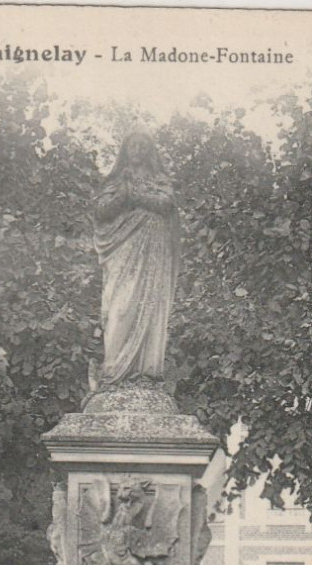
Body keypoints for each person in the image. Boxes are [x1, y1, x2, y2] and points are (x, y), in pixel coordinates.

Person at [92, 131, 180, 389]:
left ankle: (146, 371)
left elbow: (166, 203)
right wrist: (123, 194)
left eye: (143, 146)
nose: (138, 150)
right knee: (120, 305)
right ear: (126, 150)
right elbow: (101, 210)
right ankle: (114, 369)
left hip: (154, 248)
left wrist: (136, 196)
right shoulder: (115, 180)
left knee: (150, 304)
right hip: (124, 247)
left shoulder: (160, 179)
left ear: (150, 151)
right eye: (133, 145)